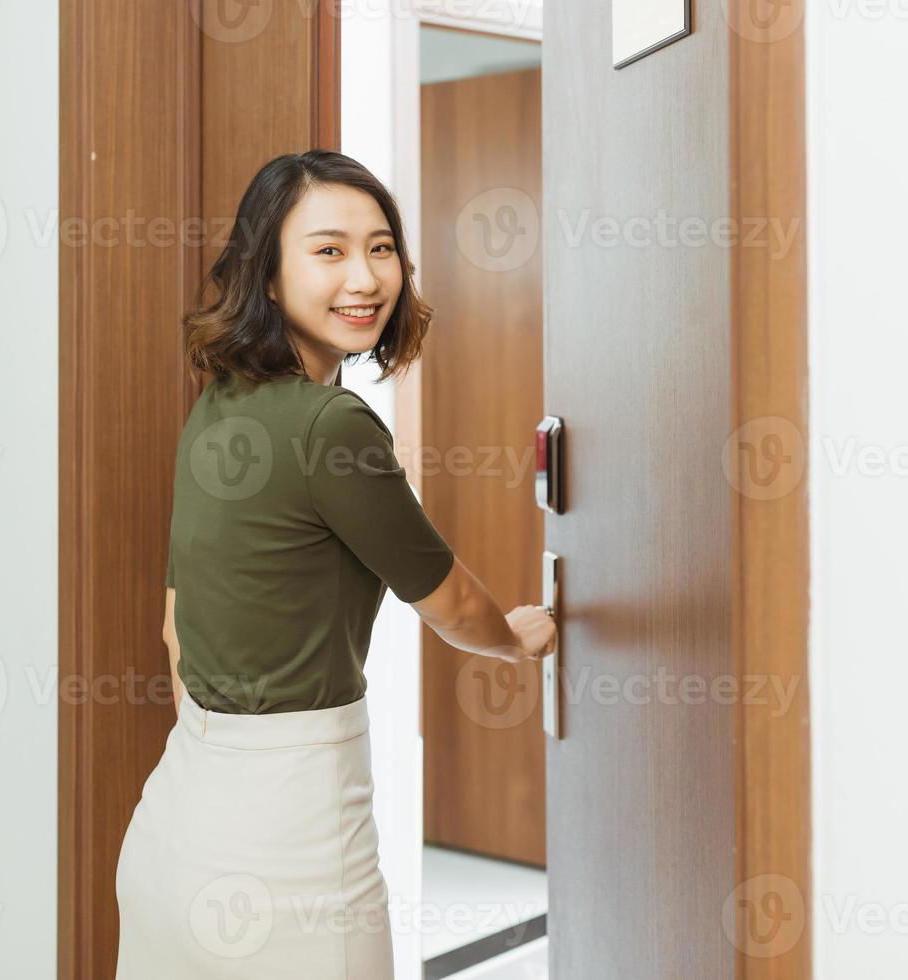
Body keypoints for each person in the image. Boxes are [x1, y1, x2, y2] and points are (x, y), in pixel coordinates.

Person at [113, 149, 557, 978]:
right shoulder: (332, 426)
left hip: (176, 828)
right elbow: (453, 604)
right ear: (268, 277)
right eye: (328, 250)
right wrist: (517, 640)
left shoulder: (218, 406)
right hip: (292, 850)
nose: (365, 276)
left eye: (381, 247)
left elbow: (176, 631)